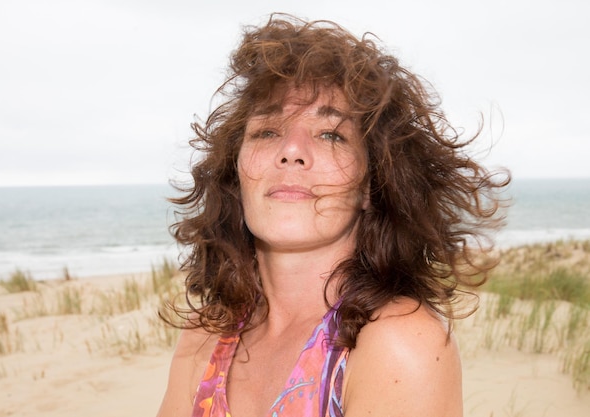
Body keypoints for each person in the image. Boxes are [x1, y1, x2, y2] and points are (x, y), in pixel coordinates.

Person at [157, 13, 508, 417]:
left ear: (370, 186)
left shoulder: (400, 343)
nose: (291, 149)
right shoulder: (205, 334)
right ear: (236, 175)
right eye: (267, 130)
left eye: (331, 135)